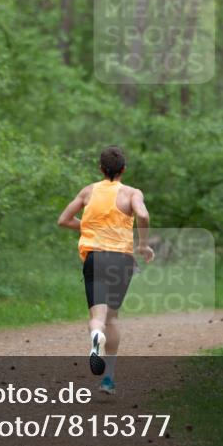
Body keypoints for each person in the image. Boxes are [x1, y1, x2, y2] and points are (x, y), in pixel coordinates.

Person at [57, 146, 153, 394]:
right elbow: (143, 215)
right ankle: (108, 378)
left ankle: (95, 336)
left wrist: (91, 229)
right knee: (113, 317)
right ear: (123, 169)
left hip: (95, 258)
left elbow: (64, 220)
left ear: (101, 169)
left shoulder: (88, 191)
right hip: (122, 261)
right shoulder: (132, 193)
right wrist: (143, 245)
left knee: (97, 319)